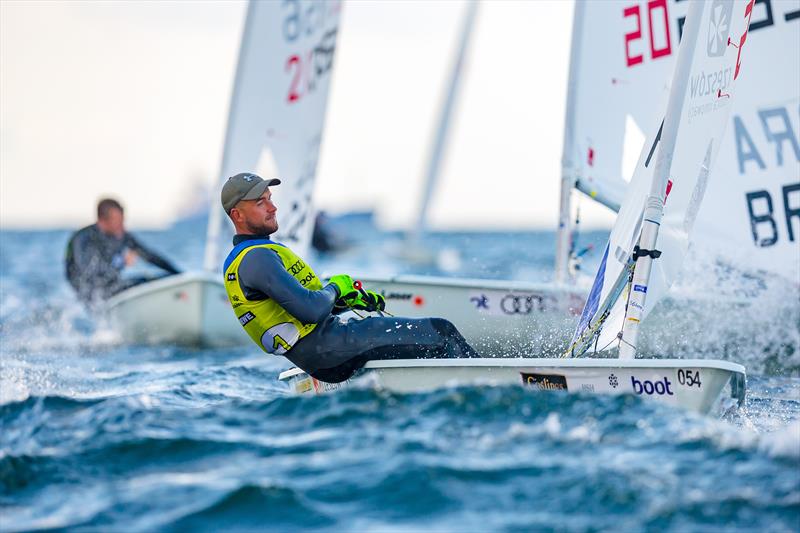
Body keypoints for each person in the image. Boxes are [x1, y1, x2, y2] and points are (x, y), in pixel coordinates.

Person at [221, 172, 477, 383]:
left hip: (325, 352)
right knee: (442, 331)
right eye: (260, 203)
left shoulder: (251, 257)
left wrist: (346, 300)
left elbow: (300, 311)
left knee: (423, 341)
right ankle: (487, 384)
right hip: (330, 348)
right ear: (238, 215)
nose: (273, 207)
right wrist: (336, 288)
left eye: (270, 199)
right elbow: (311, 310)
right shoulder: (256, 259)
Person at [65, 198, 181, 305]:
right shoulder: (83, 238)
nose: (122, 225)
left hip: (112, 285)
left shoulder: (121, 236)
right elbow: (90, 272)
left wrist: (178, 274)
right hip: (91, 293)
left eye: (122, 220)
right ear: (102, 221)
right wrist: (122, 262)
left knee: (151, 281)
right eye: (118, 221)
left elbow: (150, 256)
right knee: (130, 286)